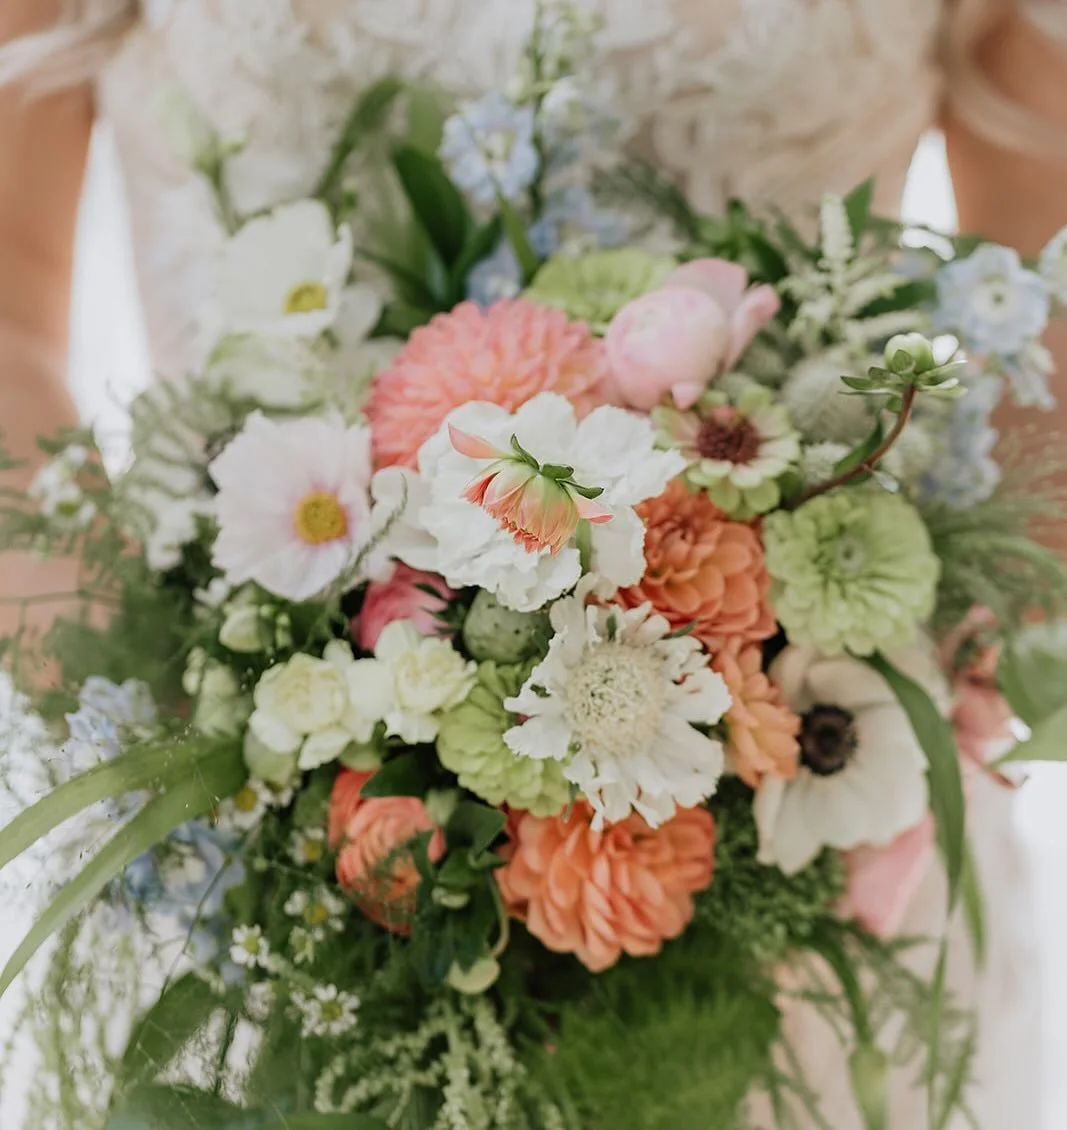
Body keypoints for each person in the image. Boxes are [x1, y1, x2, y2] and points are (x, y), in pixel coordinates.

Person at [0, 1, 1065, 1127]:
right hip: (239, 840)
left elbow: (1038, 271)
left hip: (820, 808)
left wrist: (962, 624)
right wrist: (163, 680)